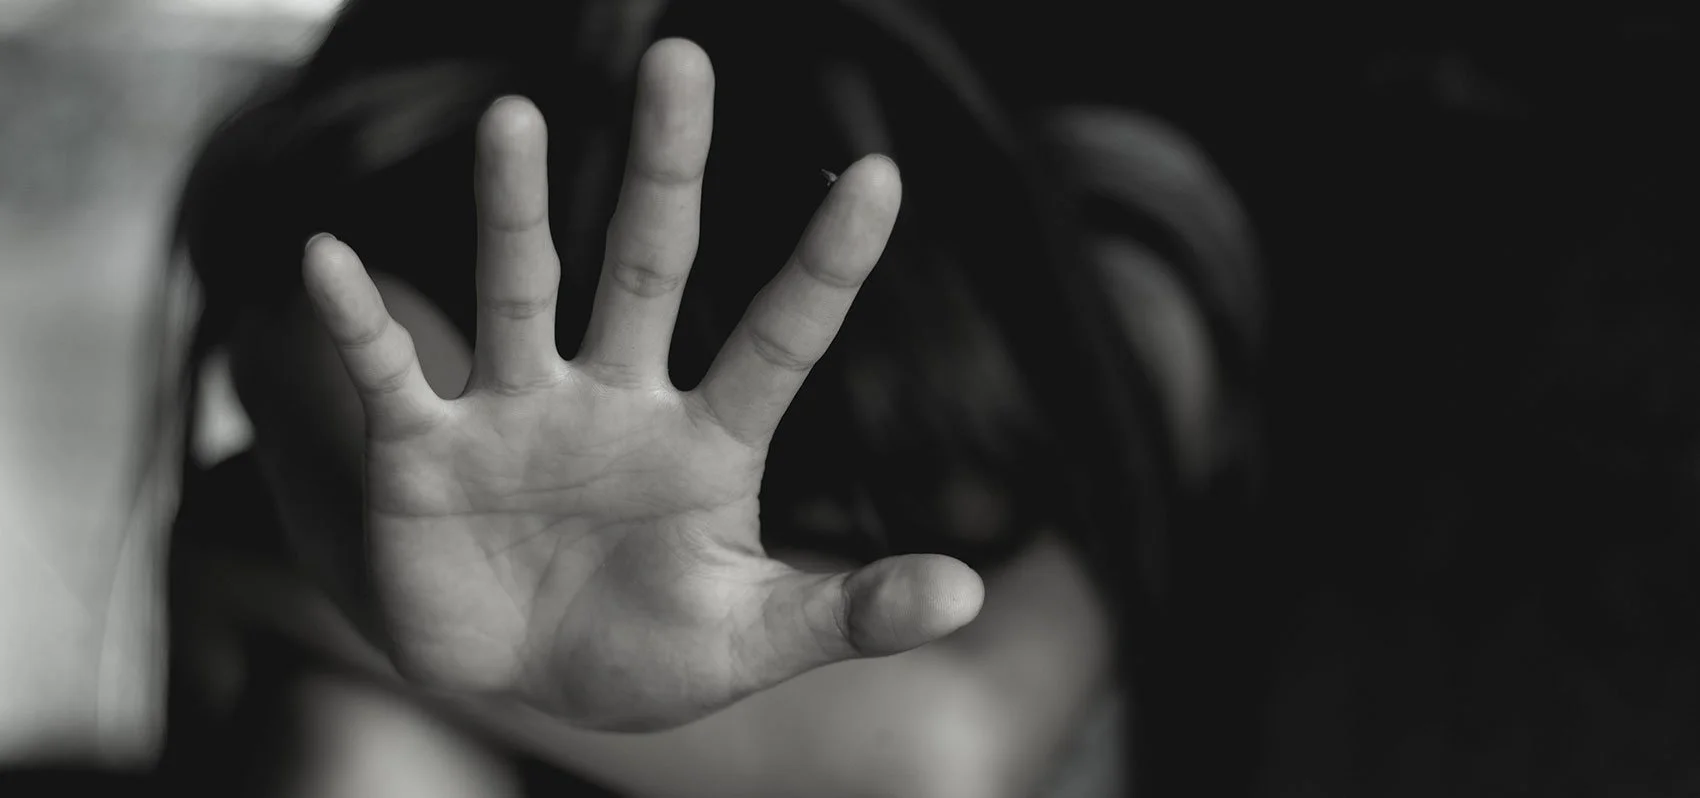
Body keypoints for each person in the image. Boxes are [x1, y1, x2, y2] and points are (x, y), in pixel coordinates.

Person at [6, 1, 1265, 795]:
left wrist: (257, 558)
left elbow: (943, 749)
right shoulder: (385, 163)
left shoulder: (1105, 226)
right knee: (364, 750)